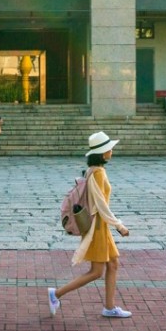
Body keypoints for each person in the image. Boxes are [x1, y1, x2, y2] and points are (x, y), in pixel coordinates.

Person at [48, 131, 131, 319]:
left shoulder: (92, 170)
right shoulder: (99, 173)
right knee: (96, 272)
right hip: (99, 227)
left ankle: (109, 307)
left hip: (101, 227)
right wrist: (119, 225)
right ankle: (56, 294)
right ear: (103, 153)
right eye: (109, 148)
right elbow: (101, 204)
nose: (112, 150)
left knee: (113, 264)